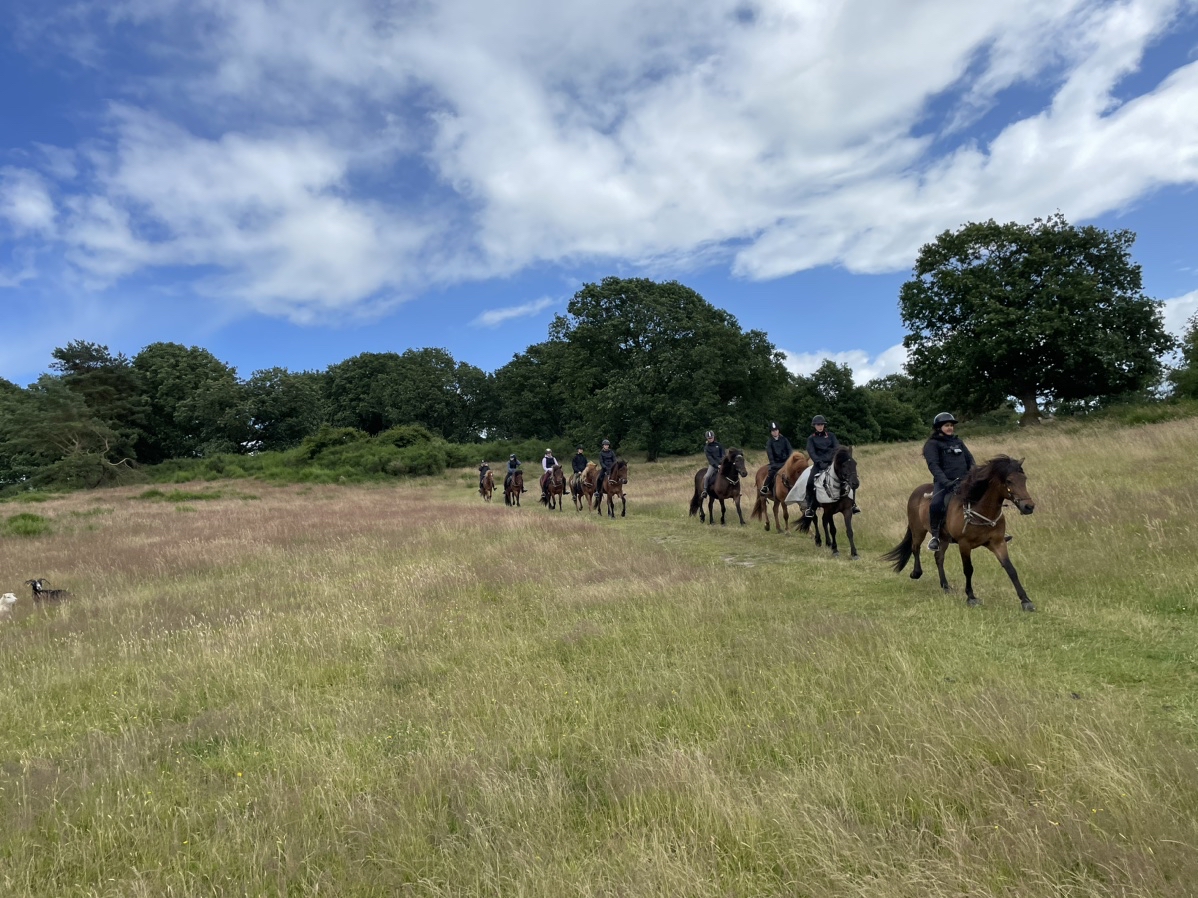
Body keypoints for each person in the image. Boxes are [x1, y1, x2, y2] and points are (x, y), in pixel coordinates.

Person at [923, 412, 975, 551]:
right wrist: (946, 482)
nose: (950, 428)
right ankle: (935, 536)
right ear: (939, 427)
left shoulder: (958, 442)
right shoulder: (932, 444)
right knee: (936, 504)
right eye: (947, 425)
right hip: (944, 483)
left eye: (951, 425)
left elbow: (970, 460)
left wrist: (972, 475)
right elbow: (933, 465)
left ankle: (989, 530)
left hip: (964, 481)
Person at [803, 415, 839, 517]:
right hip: (819, 465)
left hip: (831, 463)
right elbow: (811, 452)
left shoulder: (831, 436)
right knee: (810, 483)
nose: (820, 426)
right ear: (814, 426)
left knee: (847, 477)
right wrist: (819, 462)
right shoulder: (811, 439)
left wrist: (832, 460)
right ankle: (810, 506)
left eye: (822, 424)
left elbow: (836, 448)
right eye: (818, 425)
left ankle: (852, 504)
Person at [761, 422, 793, 496]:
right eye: (773, 431)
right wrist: (773, 463)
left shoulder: (784, 440)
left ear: (778, 431)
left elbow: (790, 450)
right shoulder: (770, 442)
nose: (775, 432)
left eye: (776, 430)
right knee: (772, 473)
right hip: (775, 463)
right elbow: (770, 454)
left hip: (786, 462)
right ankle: (766, 487)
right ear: (771, 432)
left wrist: (789, 461)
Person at [701, 430, 724, 498]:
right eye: (709, 438)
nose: (711, 439)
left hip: (722, 463)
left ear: (714, 437)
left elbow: (723, 454)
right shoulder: (707, 448)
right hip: (713, 465)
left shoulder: (719, 445)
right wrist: (717, 465)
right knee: (707, 476)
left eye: (711, 437)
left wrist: (722, 462)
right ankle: (705, 490)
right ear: (707, 438)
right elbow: (710, 458)